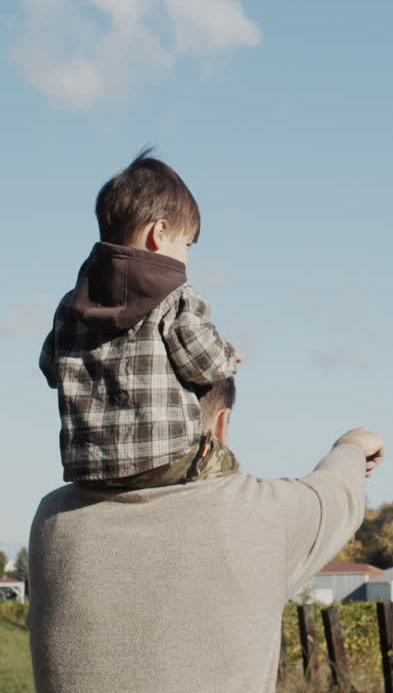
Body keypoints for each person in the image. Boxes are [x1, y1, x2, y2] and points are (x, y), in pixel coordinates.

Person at [26, 377, 384, 693]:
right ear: (223, 424)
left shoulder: (55, 520)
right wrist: (350, 446)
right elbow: (337, 493)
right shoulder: (257, 513)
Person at [38, 147, 242, 486]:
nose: (187, 258)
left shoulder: (72, 305)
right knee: (225, 469)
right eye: (187, 244)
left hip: (88, 468)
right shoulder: (177, 297)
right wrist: (228, 355)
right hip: (164, 459)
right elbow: (203, 365)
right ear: (159, 233)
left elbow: (50, 369)